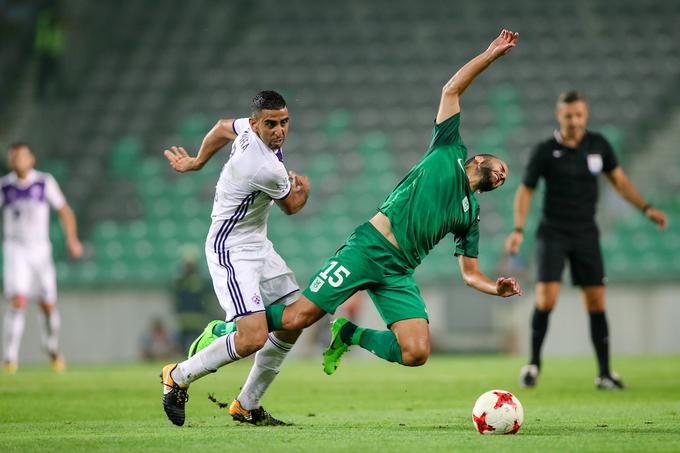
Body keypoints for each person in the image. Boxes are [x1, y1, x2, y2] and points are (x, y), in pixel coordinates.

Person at [183, 29, 523, 390]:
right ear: (480, 159)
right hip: (368, 247)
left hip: (399, 270)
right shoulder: (448, 147)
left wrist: (493, 288)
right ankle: (231, 329)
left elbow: (470, 273)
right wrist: (489, 55)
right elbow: (450, 90)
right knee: (299, 317)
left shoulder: (471, 215)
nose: (503, 175)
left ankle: (348, 333)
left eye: (506, 178)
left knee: (417, 352)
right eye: (501, 167)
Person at [160, 90, 311, 427]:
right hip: (231, 249)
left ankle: (246, 405)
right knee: (252, 337)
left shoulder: (247, 130)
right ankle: (178, 375)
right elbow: (291, 207)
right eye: (271, 124)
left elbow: (220, 127)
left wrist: (198, 161)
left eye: (284, 122)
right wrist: (306, 190)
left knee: (297, 319)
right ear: (257, 125)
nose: (279, 130)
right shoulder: (263, 166)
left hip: (258, 244)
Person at [504, 91, 668, 390]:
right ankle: (533, 365)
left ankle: (605, 373)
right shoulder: (545, 150)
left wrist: (646, 208)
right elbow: (525, 190)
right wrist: (518, 229)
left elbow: (620, 181)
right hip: (553, 232)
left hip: (586, 234)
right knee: (546, 299)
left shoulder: (598, 145)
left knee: (595, 300)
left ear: (586, 115)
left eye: (578, 114)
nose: (574, 120)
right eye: (568, 115)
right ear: (559, 116)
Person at [1, 142, 83, 373]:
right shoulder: (5, 186)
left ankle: (51, 347)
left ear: (31, 159)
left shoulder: (43, 182)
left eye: (22, 156)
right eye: (14, 157)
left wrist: (72, 240)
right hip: (15, 248)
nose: (18, 161)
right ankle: (9, 358)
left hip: (40, 250)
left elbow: (64, 211)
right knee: (18, 300)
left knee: (47, 304)